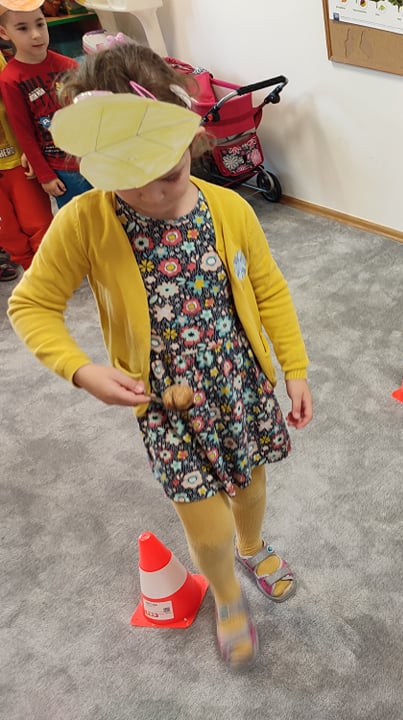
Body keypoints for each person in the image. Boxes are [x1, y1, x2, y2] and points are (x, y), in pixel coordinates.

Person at [7, 42, 313, 669]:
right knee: (204, 522)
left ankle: (252, 546)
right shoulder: (85, 221)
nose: (150, 193)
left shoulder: (229, 209)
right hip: (164, 406)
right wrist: (82, 370)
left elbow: (268, 289)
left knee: (250, 486)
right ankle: (226, 593)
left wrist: (295, 368)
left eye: (167, 175)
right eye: (129, 179)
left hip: (239, 384)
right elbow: (31, 304)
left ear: (191, 143)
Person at [0, 0, 92, 208]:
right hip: (61, 168)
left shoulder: (70, 65)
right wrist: (45, 175)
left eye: (40, 24)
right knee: (78, 217)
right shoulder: (10, 79)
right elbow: (23, 132)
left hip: (91, 157)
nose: (36, 34)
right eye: (23, 28)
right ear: (4, 33)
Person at [0, 51, 53, 270]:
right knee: (8, 232)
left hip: (17, 161)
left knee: (39, 224)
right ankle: (35, 274)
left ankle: (46, 273)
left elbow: (16, 102)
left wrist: (29, 151)